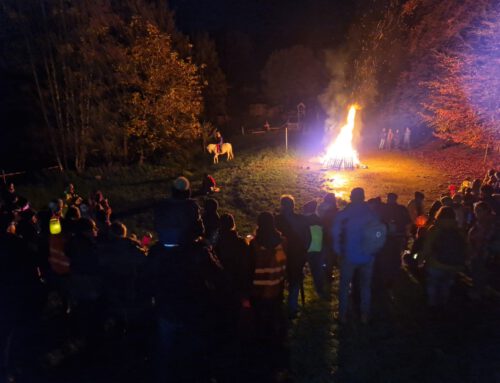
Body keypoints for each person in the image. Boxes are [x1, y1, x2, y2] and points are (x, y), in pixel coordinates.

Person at [332, 187, 380, 324]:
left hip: (349, 254)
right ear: (364, 197)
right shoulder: (371, 213)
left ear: (352, 197)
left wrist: (338, 251)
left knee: (344, 286)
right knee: (365, 286)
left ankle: (342, 315)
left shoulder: (345, 213)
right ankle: (364, 315)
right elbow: (379, 232)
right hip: (367, 255)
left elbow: (336, 233)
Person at [249, 212, 286, 344]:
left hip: (258, 289)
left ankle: (260, 342)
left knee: (259, 319)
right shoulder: (282, 243)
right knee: (274, 316)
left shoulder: (254, 245)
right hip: (276, 287)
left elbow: (250, 267)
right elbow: (283, 262)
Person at [422, 206, 467, 309]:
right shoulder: (459, 231)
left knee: (433, 284)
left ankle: (433, 304)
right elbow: (466, 247)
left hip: (435, 264)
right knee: (446, 284)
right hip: (454, 264)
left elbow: (427, 247)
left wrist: (420, 260)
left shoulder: (434, 229)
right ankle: (444, 303)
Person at [275, 195, 309, 318]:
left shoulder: (276, 220)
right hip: (297, 255)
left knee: (280, 279)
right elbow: (307, 238)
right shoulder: (301, 219)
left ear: (282, 206)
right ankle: (292, 307)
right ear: (293, 206)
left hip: (280, 255)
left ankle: (278, 304)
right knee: (295, 281)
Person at [377, 193, 411, 295]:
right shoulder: (401, 209)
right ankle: (394, 270)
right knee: (395, 254)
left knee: (388, 254)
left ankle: (389, 272)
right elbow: (407, 221)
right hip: (396, 235)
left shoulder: (383, 208)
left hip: (389, 236)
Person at [302, 200, 326, 299]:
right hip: (317, 248)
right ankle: (320, 290)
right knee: (317, 271)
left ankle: (298, 287)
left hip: (306, 248)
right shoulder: (319, 219)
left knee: (299, 268)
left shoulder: (302, 220)